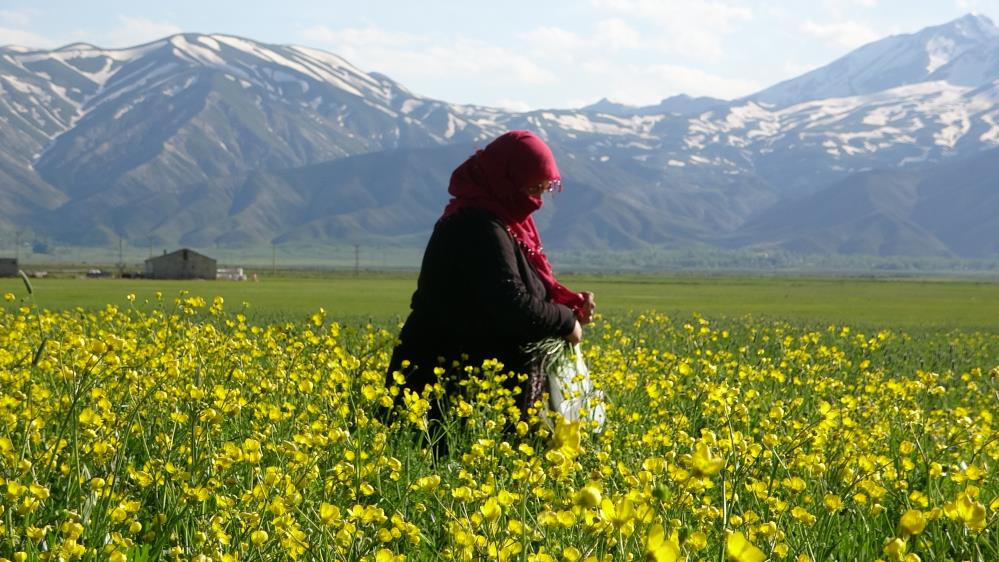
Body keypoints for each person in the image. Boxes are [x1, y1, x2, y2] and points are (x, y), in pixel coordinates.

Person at [385, 130, 596, 425]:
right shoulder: (476, 226)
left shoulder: (505, 223)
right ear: (507, 178)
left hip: (481, 395)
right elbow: (512, 304)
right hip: (444, 394)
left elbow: (521, 290)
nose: (537, 200)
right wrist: (565, 321)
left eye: (543, 190)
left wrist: (567, 307)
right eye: (534, 189)